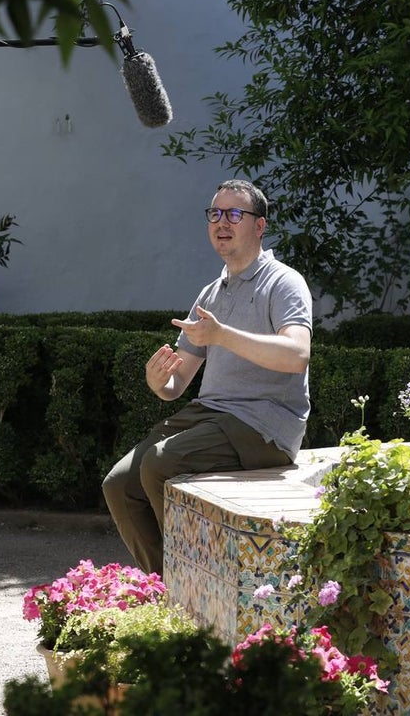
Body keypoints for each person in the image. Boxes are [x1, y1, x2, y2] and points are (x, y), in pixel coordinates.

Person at [102, 179, 312, 575]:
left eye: (235, 213)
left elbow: (297, 356)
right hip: (211, 415)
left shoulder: (283, 282)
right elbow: (175, 385)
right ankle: (164, 585)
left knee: (161, 462)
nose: (222, 222)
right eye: (215, 213)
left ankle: (195, 578)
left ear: (259, 226)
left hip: (264, 426)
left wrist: (223, 335)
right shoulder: (211, 294)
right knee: (119, 484)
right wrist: (157, 381)